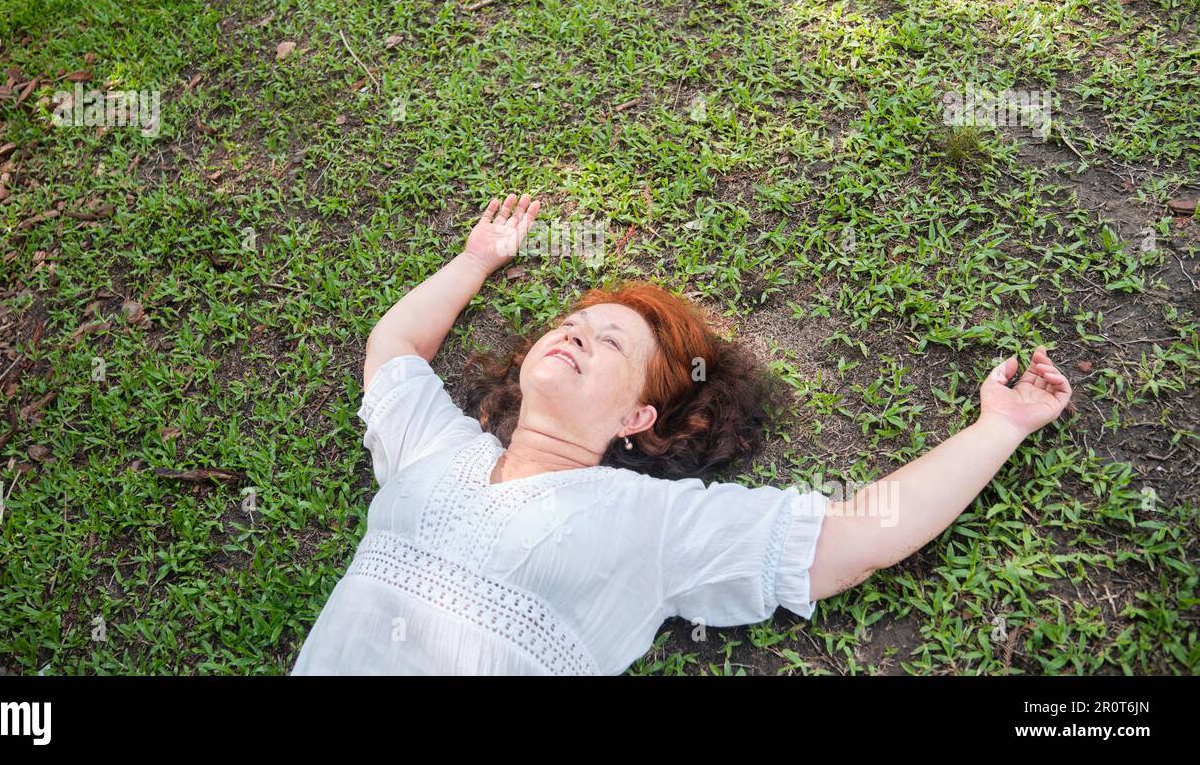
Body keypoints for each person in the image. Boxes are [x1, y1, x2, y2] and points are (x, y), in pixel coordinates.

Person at [291, 194, 1072, 675]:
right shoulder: (439, 448)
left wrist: (999, 426)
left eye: (609, 344)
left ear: (637, 419)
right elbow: (393, 353)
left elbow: (854, 537)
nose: (575, 337)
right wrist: (474, 260)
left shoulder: (649, 521)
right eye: (569, 326)